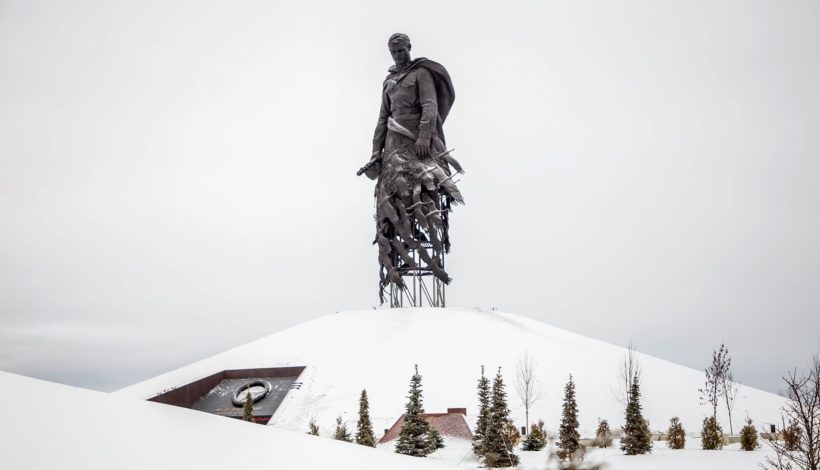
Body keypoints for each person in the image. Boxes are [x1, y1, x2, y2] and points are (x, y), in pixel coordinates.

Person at [360, 33, 464, 304]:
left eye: (401, 51)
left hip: (418, 142)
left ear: (409, 48)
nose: (397, 56)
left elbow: (430, 105)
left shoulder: (421, 73)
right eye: (393, 52)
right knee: (393, 203)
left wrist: (424, 137)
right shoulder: (389, 82)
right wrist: (375, 154)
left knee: (422, 195)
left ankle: (424, 249)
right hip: (394, 145)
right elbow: (383, 118)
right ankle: (402, 252)